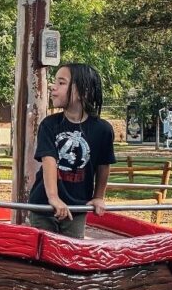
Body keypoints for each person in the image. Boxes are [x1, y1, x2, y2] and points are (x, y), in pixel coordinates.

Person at [27, 62, 116, 238]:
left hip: (77, 207)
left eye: (61, 83)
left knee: (73, 252)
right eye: (55, 82)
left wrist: (99, 196)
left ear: (83, 91)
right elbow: (49, 160)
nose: (53, 87)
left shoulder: (102, 129)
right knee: (45, 252)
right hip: (43, 205)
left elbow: (103, 165)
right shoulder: (49, 125)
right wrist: (53, 197)